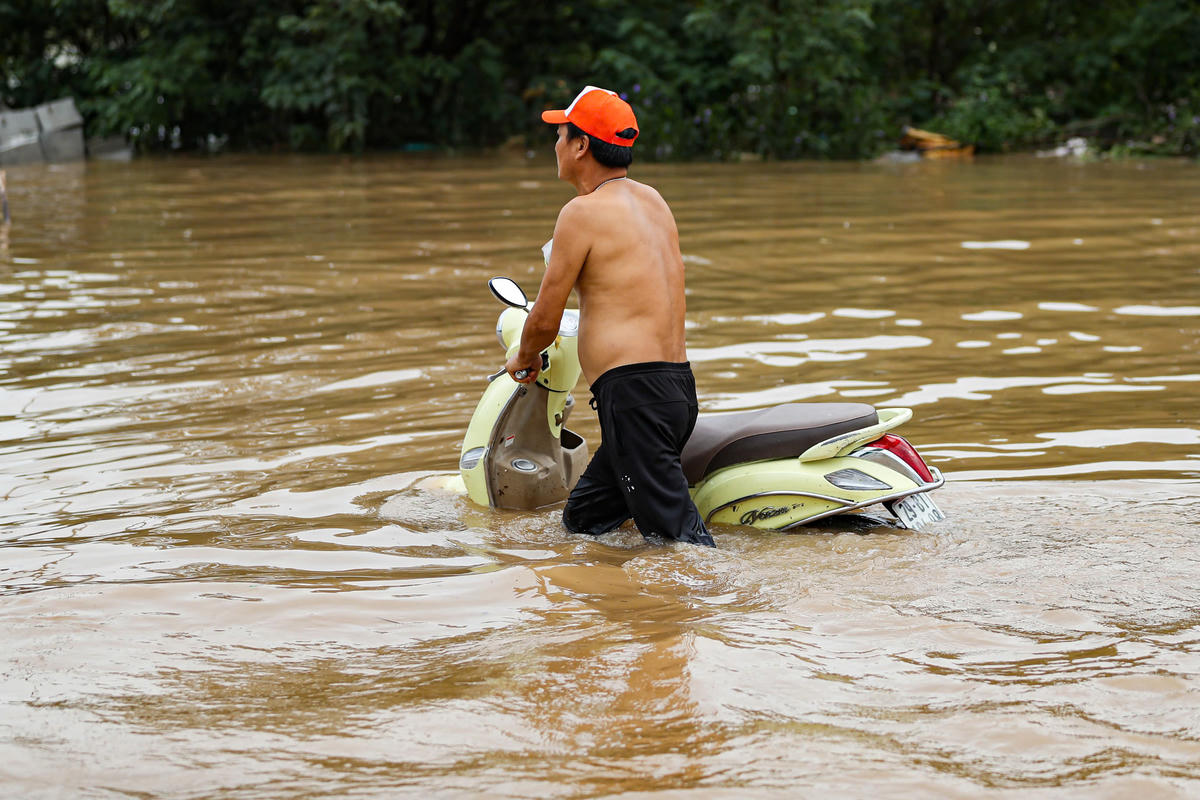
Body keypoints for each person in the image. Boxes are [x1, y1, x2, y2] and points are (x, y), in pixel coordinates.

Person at [504, 85, 715, 547]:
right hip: (675, 389)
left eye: (559, 135)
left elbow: (545, 315)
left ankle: (731, 606)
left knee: (681, 546)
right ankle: (610, 610)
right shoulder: (654, 202)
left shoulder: (580, 213)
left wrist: (525, 355)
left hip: (635, 396)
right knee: (582, 524)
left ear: (580, 145)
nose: (555, 146)